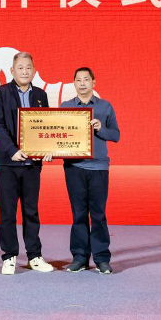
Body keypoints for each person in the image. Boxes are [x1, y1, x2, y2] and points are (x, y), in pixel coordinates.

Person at [0, 51, 54, 275]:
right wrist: (12, 150)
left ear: (34, 71)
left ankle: (34, 256)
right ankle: (9, 257)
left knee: (31, 211)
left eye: (28, 68)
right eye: (20, 68)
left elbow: (46, 125)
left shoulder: (40, 95)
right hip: (7, 163)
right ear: (12, 71)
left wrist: (47, 149)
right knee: (8, 212)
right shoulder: (0, 93)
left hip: (32, 165)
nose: (25, 71)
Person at [59, 67, 120, 274]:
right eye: (79, 80)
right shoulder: (66, 107)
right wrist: (48, 151)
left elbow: (116, 135)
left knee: (98, 214)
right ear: (74, 84)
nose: (83, 83)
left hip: (99, 168)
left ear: (93, 83)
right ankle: (80, 258)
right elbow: (58, 134)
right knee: (78, 214)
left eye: (86, 79)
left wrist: (101, 129)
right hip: (74, 167)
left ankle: (102, 258)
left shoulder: (105, 106)